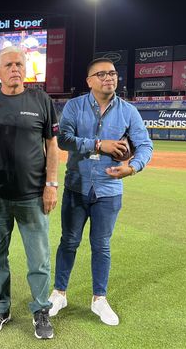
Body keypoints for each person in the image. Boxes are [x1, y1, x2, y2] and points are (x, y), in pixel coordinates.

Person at [50, 58, 153, 326]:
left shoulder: (128, 111)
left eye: (113, 73)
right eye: (102, 74)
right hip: (76, 185)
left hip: (109, 189)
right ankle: (59, 293)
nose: (109, 78)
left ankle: (99, 299)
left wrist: (132, 168)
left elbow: (145, 146)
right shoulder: (74, 106)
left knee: (102, 246)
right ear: (90, 81)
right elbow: (63, 140)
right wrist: (99, 145)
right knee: (69, 242)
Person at [0, 45, 59, 339]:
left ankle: (41, 310)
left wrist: (51, 184)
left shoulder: (41, 99)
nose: (15, 69)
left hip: (32, 195)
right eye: (9, 65)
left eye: (19, 64)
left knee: (38, 259)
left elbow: (52, 145)